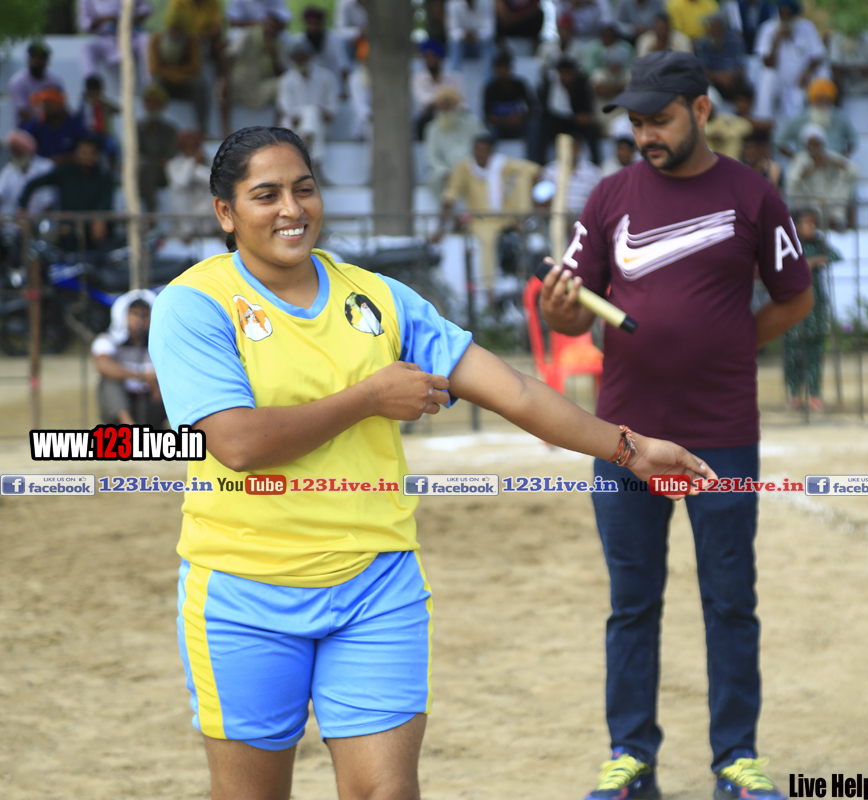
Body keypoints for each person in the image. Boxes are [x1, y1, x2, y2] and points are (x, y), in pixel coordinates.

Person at [146, 126, 713, 800]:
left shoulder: (379, 298)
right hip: (245, 592)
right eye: (266, 195)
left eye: (304, 189)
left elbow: (516, 390)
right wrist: (369, 398)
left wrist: (630, 448)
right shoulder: (194, 304)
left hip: (375, 585)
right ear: (225, 212)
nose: (292, 210)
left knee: (387, 792)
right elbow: (236, 443)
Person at [537, 51, 813, 800]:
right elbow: (571, 308)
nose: (645, 136)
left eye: (658, 120)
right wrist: (559, 312)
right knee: (632, 603)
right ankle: (631, 758)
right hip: (624, 440)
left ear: (701, 110)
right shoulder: (609, 196)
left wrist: (734, 343)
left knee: (730, 601)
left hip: (723, 431)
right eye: (635, 123)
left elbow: (795, 296)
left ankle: (736, 760)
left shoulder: (754, 195)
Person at [436, 133, 542, 297]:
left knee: (523, 176)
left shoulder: (502, 164)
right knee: (487, 242)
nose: (480, 154)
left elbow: (534, 170)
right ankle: (489, 291)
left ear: (491, 152)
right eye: (477, 150)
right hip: (481, 220)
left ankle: (522, 219)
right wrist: (441, 229)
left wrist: (533, 199)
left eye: (484, 150)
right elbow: (449, 197)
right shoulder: (464, 167)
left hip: (507, 216)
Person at [783, 208, 838, 411]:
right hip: (792, 303)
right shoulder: (787, 243)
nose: (812, 227)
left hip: (814, 305)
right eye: (808, 223)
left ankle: (814, 395)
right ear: (796, 226)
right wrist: (806, 263)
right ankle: (795, 394)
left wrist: (817, 259)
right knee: (793, 351)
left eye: (814, 224)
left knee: (814, 350)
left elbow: (835, 255)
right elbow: (780, 265)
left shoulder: (818, 243)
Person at [18, 137, 116, 252]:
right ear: (76, 153)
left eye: (92, 153)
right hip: (68, 230)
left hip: (94, 234)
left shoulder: (104, 178)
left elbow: (105, 203)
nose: (87, 157)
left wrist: (99, 219)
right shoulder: (66, 173)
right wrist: (23, 207)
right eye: (83, 152)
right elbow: (33, 184)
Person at [94, 293, 166, 427]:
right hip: (121, 404)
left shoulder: (162, 344)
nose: (139, 320)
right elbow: (103, 365)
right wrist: (143, 376)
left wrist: (158, 381)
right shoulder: (108, 341)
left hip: (151, 403)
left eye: (145, 315)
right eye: (135, 314)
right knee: (109, 381)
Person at [753, 0, 828, 120]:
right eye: (782, 14)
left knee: (823, 72)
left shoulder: (807, 27)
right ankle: (763, 119)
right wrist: (777, 41)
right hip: (779, 81)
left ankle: (823, 116)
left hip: (802, 79)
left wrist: (807, 72)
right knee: (767, 76)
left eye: (789, 15)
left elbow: (818, 54)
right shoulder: (768, 28)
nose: (785, 18)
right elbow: (767, 63)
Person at [222, 8, 289, 137]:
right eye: (269, 26)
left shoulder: (278, 44)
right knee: (221, 88)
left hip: (262, 84)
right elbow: (229, 56)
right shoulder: (247, 35)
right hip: (241, 80)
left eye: (274, 28)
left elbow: (280, 73)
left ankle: (277, 129)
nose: (270, 30)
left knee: (282, 85)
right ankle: (225, 129)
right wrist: (225, 80)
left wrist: (273, 55)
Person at [277, 40, 339, 172]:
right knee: (310, 113)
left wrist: (323, 112)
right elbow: (285, 106)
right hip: (294, 123)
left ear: (309, 57)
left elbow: (332, 104)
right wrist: (299, 115)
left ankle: (304, 149)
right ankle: (314, 163)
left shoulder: (326, 77)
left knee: (312, 112)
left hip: (321, 121)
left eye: (302, 57)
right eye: (296, 58)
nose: (300, 61)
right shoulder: (286, 80)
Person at [784, 124, 857, 231]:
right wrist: (811, 168)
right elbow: (792, 181)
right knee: (794, 188)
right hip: (808, 201)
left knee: (846, 181)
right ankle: (811, 221)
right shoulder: (800, 159)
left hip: (830, 200)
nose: (814, 148)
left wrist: (832, 161)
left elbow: (854, 172)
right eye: (811, 145)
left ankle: (835, 219)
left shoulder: (830, 156)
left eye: (816, 145)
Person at [150, 10, 211, 135]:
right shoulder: (156, 39)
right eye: (172, 29)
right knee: (154, 89)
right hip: (165, 84)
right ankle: (154, 128)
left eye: (178, 30)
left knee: (201, 86)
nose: (175, 33)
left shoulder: (192, 40)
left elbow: (195, 68)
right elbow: (154, 69)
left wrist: (172, 73)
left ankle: (202, 129)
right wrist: (176, 75)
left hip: (185, 85)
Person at [537, 57, 603, 164]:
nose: (566, 77)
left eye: (569, 74)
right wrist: (573, 118)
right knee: (543, 127)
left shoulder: (582, 83)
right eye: (563, 74)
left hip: (577, 124)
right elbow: (548, 112)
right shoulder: (550, 86)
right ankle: (540, 163)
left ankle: (596, 163)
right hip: (557, 123)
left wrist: (585, 117)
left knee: (591, 128)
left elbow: (587, 106)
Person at [426, 87, 486, 197]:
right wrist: (446, 173)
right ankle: (447, 205)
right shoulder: (433, 128)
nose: (445, 107)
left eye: (448, 103)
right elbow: (433, 157)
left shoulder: (472, 123)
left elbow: (483, 146)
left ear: (455, 105)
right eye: (442, 104)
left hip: (470, 169)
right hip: (445, 173)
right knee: (435, 178)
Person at [774, 77, 856, 158]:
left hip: (832, 162)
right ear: (812, 100)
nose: (822, 103)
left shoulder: (840, 117)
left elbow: (853, 140)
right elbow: (779, 141)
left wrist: (842, 158)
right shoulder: (800, 118)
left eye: (826, 99)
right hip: (807, 163)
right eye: (819, 99)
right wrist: (795, 158)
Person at [80, 0, 152, 84]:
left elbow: (145, 9)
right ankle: (92, 85)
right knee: (86, 48)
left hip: (131, 37)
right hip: (106, 38)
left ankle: (150, 84)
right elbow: (85, 24)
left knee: (146, 40)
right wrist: (107, 19)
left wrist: (130, 21)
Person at [166, 129, 216, 241]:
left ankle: (213, 230)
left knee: (216, 191)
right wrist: (192, 162)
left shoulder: (211, 161)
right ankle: (187, 232)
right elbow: (182, 182)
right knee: (178, 191)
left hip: (207, 212)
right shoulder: (173, 164)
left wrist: (196, 167)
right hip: (186, 212)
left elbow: (213, 181)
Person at [412, 40, 466, 141]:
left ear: (440, 58)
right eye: (427, 57)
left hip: (453, 113)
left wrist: (446, 102)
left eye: (433, 56)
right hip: (430, 115)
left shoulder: (455, 78)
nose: (430, 60)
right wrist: (445, 99)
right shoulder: (418, 79)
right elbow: (424, 100)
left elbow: (461, 102)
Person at [138, 85, 180, 214]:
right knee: (145, 169)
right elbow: (137, 153)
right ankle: (151, 209)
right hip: (147, 170)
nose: (151, 105)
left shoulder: (170, 130)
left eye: (155, 102)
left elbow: (171, 155)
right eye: (148, 101)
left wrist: (161, 161)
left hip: (165, 171)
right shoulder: (139, 128)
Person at [21, 88, 88, 166]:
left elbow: (86, 143)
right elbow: (23, 142)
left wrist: (67, 158)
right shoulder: (37, 124)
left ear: (60, 104)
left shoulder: (73, 122)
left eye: (51, 104)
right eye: (45, 105)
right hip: (44, 168)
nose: (48, 107)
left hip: (71, 166)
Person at [483, 53, 537, 149]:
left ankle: (533, 157)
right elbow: (488, 117)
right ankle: (489, 157)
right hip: (499, 127)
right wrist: (507, 120)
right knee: (488, 131)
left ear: (510, 69)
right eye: (499, 69)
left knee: (534, 125)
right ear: (495, 70)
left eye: (505, 68)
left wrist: (521, 118)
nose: (502, 72)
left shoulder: (519, 85)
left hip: (519, 125)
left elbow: (533, 108)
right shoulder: (490, 88)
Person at [540, 134, 603, 212]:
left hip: (583, 215)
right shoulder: (550, 170)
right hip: (555, 215)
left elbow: (599, 199)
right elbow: (541, 198)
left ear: (578, 149)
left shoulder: (592, 172)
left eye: (571, 147)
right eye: (564, 147)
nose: (568, 151)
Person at [8, 42, 66, 126]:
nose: (38, 61)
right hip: (27, 127)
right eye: (35, 57)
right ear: (29, 58)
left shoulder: (55, 80)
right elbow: (22, 112)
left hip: (53, 126)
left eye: (41, 58)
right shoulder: (18, 81)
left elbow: (62, 107)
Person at [694, 13, 748, 102]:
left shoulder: (735, 40)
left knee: (745, 89)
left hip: (733, 79)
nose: (711, 30)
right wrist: (719, 77)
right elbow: (702, 69)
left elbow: (741, 65)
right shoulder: (702, 43)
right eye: (710, 27)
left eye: (714, 26)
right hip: (713, 81)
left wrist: (730, 76)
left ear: (722, 27)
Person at [299, 5, 352, 91]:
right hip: (312, 91)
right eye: (310, 23)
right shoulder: (300, 42)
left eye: (316, 23)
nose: (313, 27)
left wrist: (345, 90)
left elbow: (344, 67)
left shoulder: (335, 40)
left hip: (336, 88)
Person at [447, 0, 496, 73]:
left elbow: (490, 31)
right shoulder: (453, 3)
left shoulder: (487, 2)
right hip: (462, 45)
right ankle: (454, 76)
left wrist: (476, 34)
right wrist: (464, 34)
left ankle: (488, 79)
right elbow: (451, 32)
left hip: (479, 44)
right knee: (455, 44)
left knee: (489, 46)